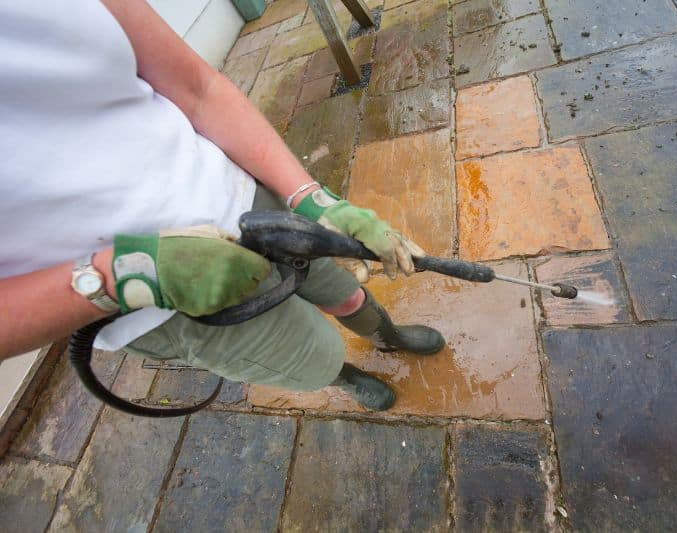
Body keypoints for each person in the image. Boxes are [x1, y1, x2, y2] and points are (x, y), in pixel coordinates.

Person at [0, 0, 445, 411]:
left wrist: (312, 198)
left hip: (242, 200)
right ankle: (342, 375)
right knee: (312, 355)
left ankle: (386, 337)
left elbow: (198, 88)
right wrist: (124, 275)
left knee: (342, 292)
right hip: (157, 304)